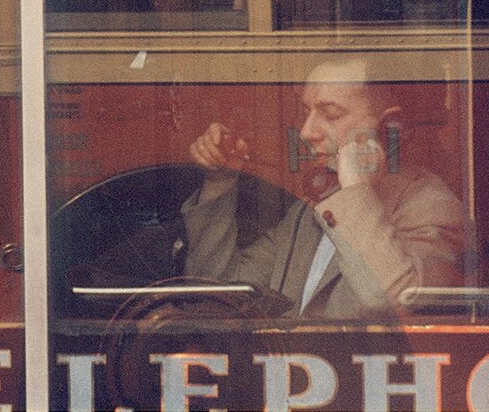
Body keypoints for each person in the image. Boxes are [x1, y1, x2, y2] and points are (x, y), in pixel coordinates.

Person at [181, 56, 465, 318]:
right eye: (306, 112)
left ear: (392, 126)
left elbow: (391, 301)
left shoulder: (432, 206)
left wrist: (355, 192)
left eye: (330, 114)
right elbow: (222, 292)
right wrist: (220, 182)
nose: (306, 132)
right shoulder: (311, 211)